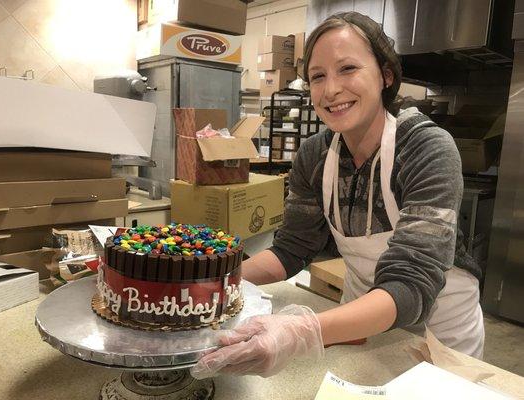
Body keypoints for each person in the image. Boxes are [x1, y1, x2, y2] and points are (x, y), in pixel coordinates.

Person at [191, 11, 485, 379]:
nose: (330, 90)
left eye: (348, 69)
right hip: (357, 321)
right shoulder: (314, 156)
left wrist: (302, 329)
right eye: (318, 76)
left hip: (439, 332)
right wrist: (213, 279)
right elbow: (291, 249)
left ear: (386, 75)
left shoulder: (426, 149)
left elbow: (411, 282)